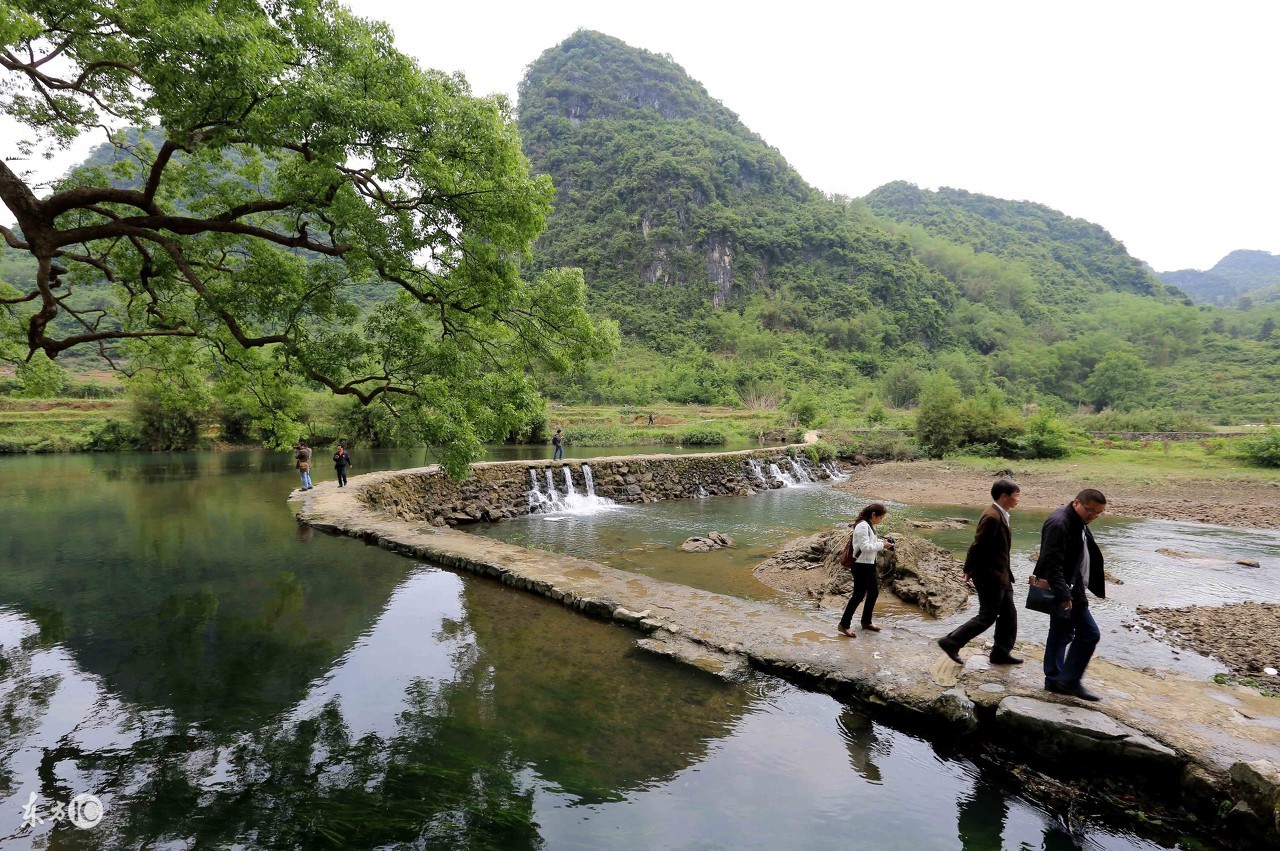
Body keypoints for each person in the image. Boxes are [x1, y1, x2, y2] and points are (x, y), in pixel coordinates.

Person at [937, 480, 1023, 665]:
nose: (1018, 499)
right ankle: (951, 642)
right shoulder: (992, 516)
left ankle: (1000, 653)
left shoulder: (1001, 514)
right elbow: (978, 545)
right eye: (1016, 495)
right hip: (989, 576)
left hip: (1001, 574)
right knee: (988, 616)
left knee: (1009, 614)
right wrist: (968, 569)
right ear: (1004, 496)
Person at [1033, 488, 1108, 701]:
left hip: (1072, 587)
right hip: (1066, 590)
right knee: (1089, 633)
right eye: (1090, 511)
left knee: (1061, 632)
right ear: (1076, 503)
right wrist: (1065, 595)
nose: (1093, 517)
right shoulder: (1060, 523)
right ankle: (1069, 681)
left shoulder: (1077, 521)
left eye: (1098, 513)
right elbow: (1051, 563)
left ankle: (1054, 680)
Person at [836, 502, 894, 636]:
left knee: (873, 592)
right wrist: (882, 545)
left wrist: (883, 542)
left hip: (869, 564)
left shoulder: (869, 525)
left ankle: (866, 621)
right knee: (858, 595)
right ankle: (844, 624)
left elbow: (869, 544)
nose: (881, 520)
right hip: (861, 565)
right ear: (873, 514)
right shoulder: (862, 526)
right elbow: (865, 547)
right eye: (880, 518)